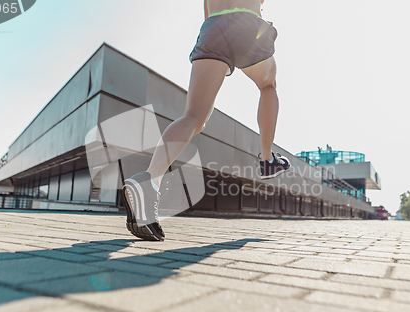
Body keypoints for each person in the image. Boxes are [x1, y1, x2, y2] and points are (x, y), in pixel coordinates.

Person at [123, 0, 290, 241]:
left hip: (213, 28)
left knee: (193, 116)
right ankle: (267, 160)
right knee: (267, 85)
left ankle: (149, 180)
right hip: (248, 25)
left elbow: (207, 12)